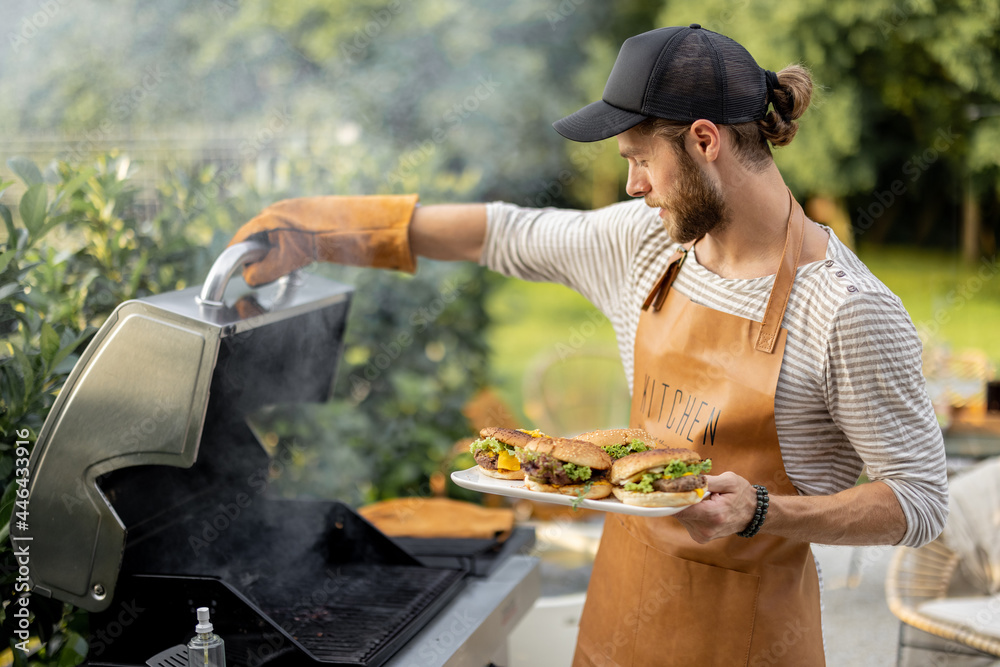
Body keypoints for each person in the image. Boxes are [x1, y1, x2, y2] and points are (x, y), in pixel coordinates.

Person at [229, 24, 949, 666]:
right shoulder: (646, 245)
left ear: (706, 140)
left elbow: (919, 499)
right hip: (620, 617)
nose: (633, 185)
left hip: (752, 637)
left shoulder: (848, 309)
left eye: (641, 159)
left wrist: (765, 510)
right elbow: (500, 232)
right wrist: (319, 229)